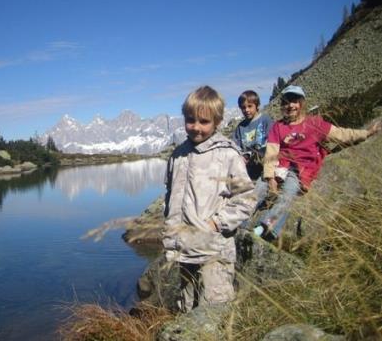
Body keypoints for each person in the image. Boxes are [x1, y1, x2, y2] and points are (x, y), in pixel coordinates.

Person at [163, 86, 256, 313]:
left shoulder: (227, 154)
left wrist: (216, 223)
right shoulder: (178, 155)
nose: (196, 127)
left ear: (218, 121)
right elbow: (170, 197)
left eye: (204, 121)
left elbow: (247, 198)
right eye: (190, 120)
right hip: (183, 250)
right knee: (186, 308)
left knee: (213, 311)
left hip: (214, 251)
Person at [254, 85, 382, 240]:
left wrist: (366, 133)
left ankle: (266, 226)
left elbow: (341, 134)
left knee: (288, 194)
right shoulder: (278, 127)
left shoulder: (315, 124)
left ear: (301, 103)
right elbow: (271, 152)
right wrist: (270, 177)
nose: (290, 106)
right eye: (286, 102)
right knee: (257, 190)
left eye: (294, 101)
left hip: (299, 170)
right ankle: (240, 222)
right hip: (280, 166)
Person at [232, 90, 274, 180]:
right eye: (243, 107)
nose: (246, 110)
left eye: (250, 106)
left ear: (257, 105)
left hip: (265, 164)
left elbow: (272, 143)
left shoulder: (265, 120)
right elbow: (236, 147)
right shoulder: (240, 127)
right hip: (248, 167)